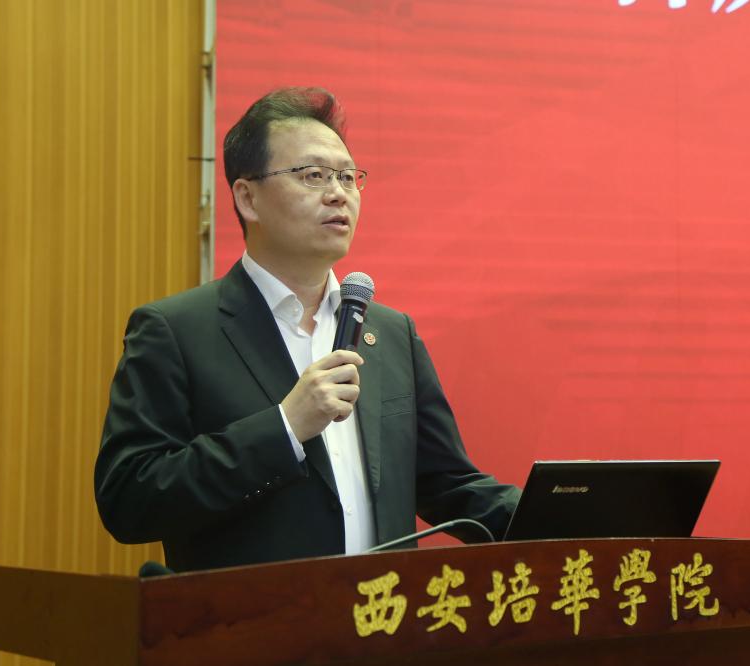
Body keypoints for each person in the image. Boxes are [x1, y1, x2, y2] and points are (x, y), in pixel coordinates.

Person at [94, 87, 520, 573]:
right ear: (247, 198)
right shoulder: (176, 331)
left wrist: (564, 511)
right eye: (314, 175)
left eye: (348, 177)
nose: (339, 193)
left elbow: (448, 484)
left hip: (382, 613)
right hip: (254, 617)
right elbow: (129, 499)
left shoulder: (390, 333)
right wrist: (285, 427)